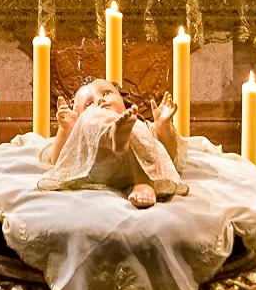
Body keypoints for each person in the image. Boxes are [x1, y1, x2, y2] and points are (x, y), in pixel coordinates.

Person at [39, 77, 185, 208]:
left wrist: (162, 125)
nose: (100, 100)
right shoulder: (83, 125)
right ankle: (112, 136)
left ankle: (142, 182)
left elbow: (167, 156)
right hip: (100, 168)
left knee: (139, 129)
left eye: (106, 93)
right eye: (88, 104)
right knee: (89, 119)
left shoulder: (138, 123)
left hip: (135, 171)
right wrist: (66, 129)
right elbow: (58, 162)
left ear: (122, 99)